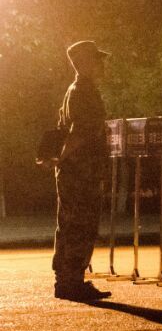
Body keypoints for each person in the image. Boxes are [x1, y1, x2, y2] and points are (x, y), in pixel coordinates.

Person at [51, 40, 111, 301]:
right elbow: (80, 132)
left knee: (68, 223)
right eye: (97, 59)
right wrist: (62, 157)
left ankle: (66, 281)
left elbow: (64, 129)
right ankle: (72, 281)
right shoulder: (84, 91)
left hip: (74, 169)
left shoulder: (74, 90)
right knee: (81, 224)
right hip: (81, 171)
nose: (102, 64)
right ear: (85, 62)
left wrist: (57, 158)